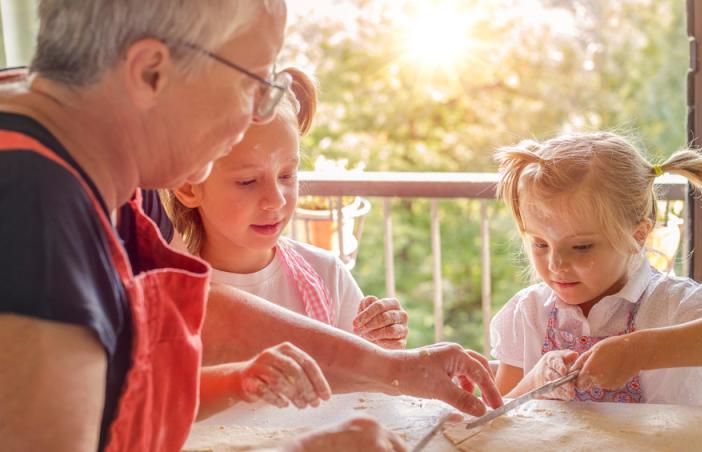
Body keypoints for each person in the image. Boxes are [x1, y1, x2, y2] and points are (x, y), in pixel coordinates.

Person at [0, 1, 501, 451]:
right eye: (254, 85)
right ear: (151, 73)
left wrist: (396, 369)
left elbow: (196, 315)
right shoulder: (30, 209)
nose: (257, 115)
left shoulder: (101, 157)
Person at [490, 131, 702, 405]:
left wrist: (641, 350)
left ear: (638, 235)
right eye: (540, 244)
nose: (556, 264)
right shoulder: (528, 313)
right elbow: (496, 418)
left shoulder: (670, 305)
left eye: (581, 247)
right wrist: (536, 381)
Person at [161, 67, 409, 349]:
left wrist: (385, 343)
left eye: (287, 175)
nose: (276, 199)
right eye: (248, 181)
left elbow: (373, 377)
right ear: (188, 187)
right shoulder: (174, 298)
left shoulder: (327, 275)